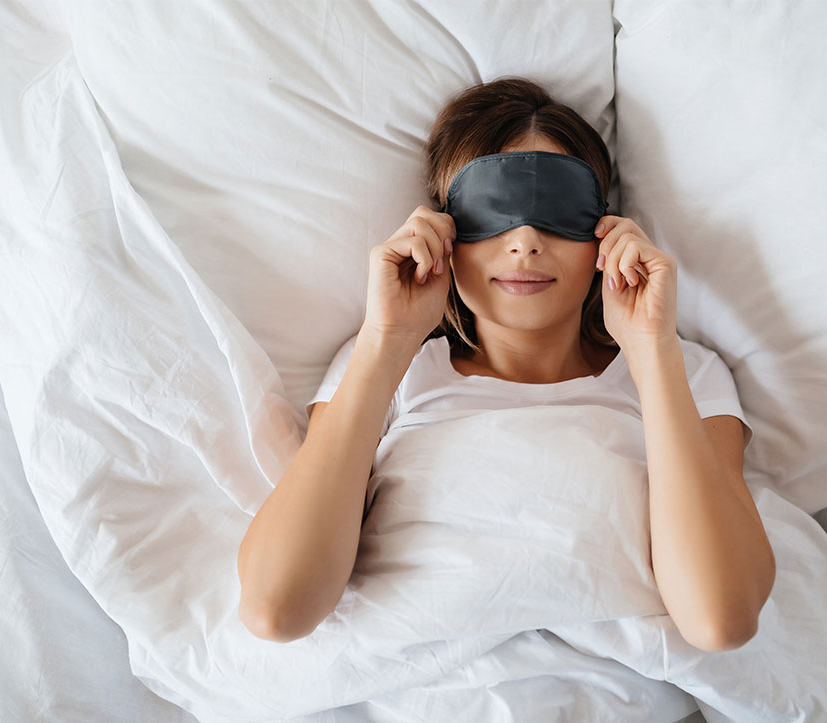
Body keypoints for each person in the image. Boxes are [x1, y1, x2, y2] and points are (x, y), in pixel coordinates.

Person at [237, 77, 775, 650]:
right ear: (444, 229)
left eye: (558, 212)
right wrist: (387, 340)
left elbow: (720, 618)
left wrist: (652, 351)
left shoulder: (684, 373)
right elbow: (276, 609)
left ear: (605, 229)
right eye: (491, 210)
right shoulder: (386, 368)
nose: (523, 241)